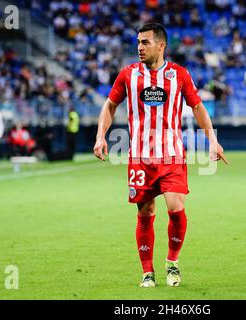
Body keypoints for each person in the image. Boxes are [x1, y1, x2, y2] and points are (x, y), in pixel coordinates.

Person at [93, 23, 228, 288]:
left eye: (145, 42)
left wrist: (213, 139)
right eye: (138, 42)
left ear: (161, 45)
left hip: (172, 155)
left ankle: (172, 263)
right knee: (145, 213)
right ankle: (147, 272)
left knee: (176, 208)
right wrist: (100, 135)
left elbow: (198, 108)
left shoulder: (179, 75)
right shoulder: (128, 75)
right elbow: (110, 105)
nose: (139, 47)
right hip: (140, 157)